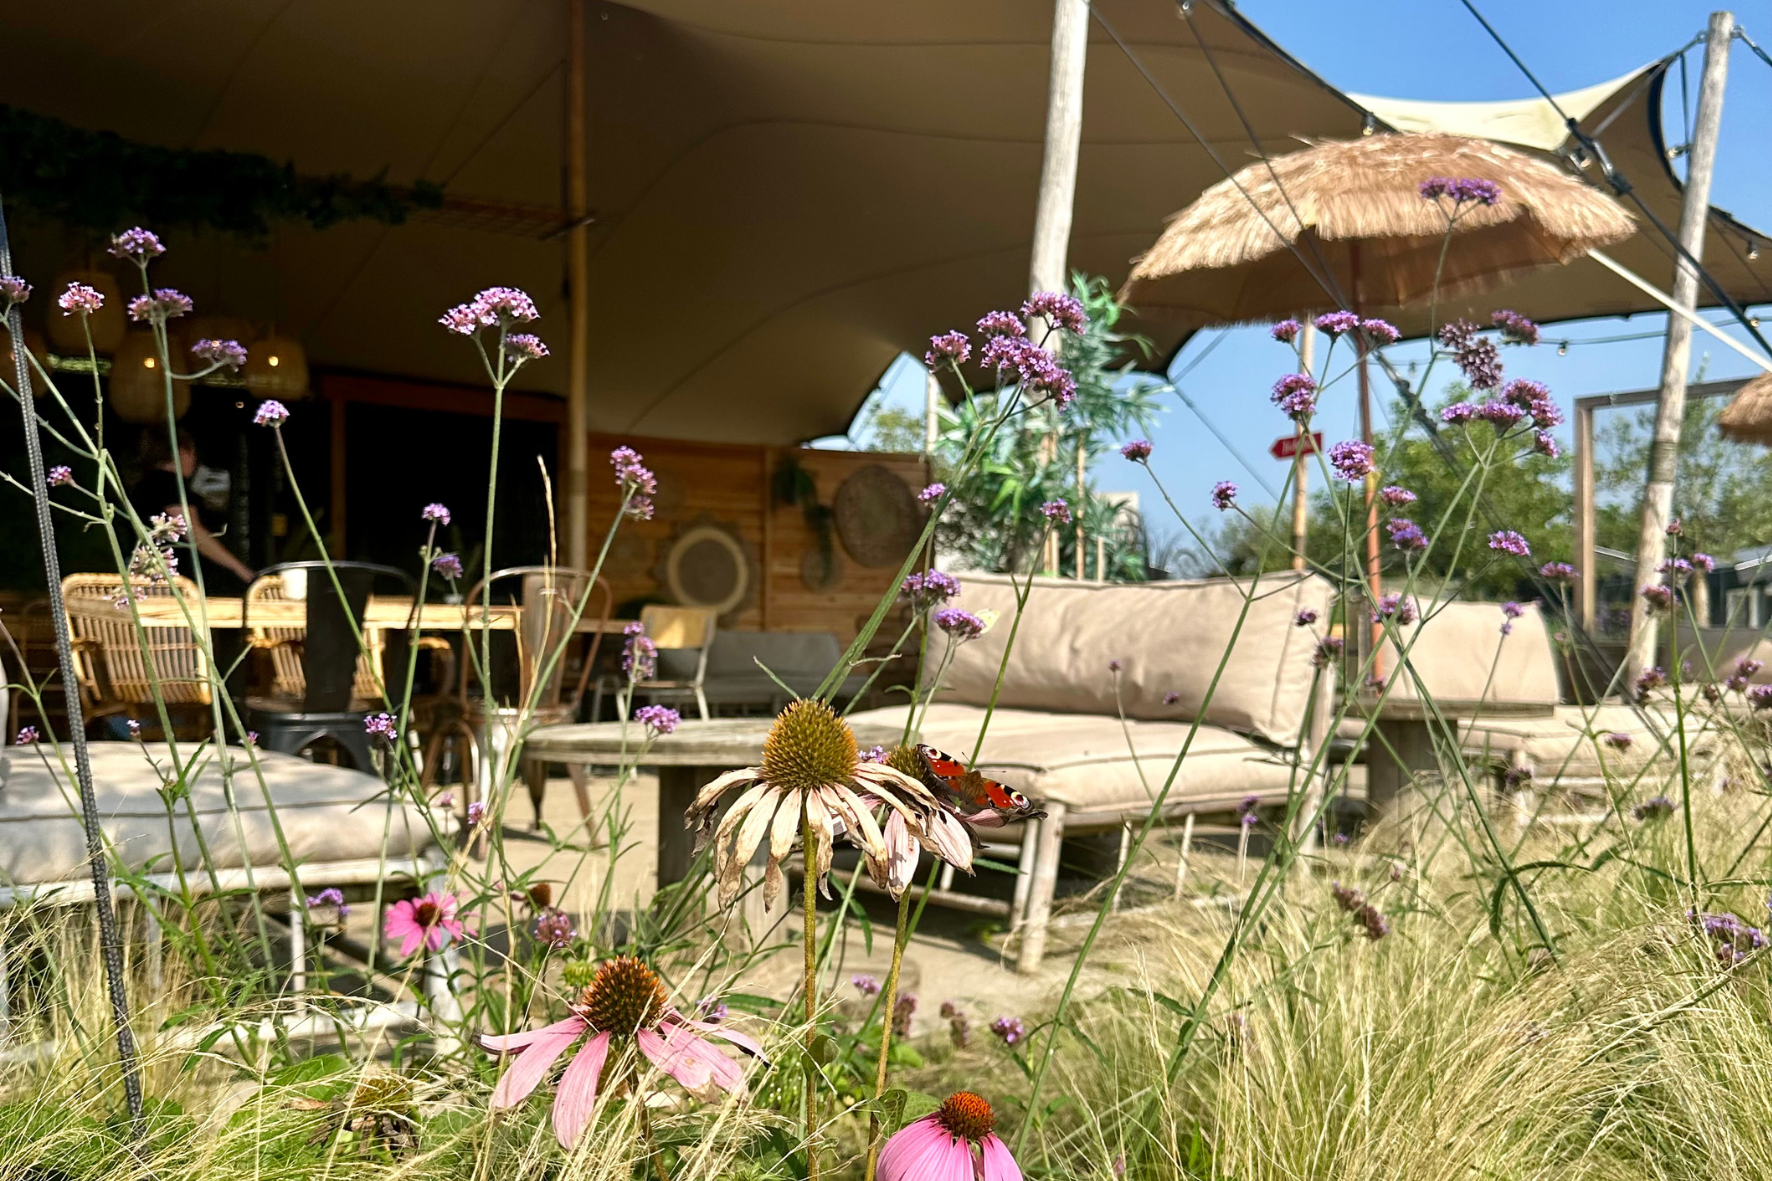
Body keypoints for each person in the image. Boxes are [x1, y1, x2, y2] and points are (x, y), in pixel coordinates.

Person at [131, 427, 256, 592]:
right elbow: (192, 531)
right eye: (193, 453)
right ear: (182, 451)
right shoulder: (169, 484)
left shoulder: (145, 485)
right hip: (179, 581)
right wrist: (240, 570)